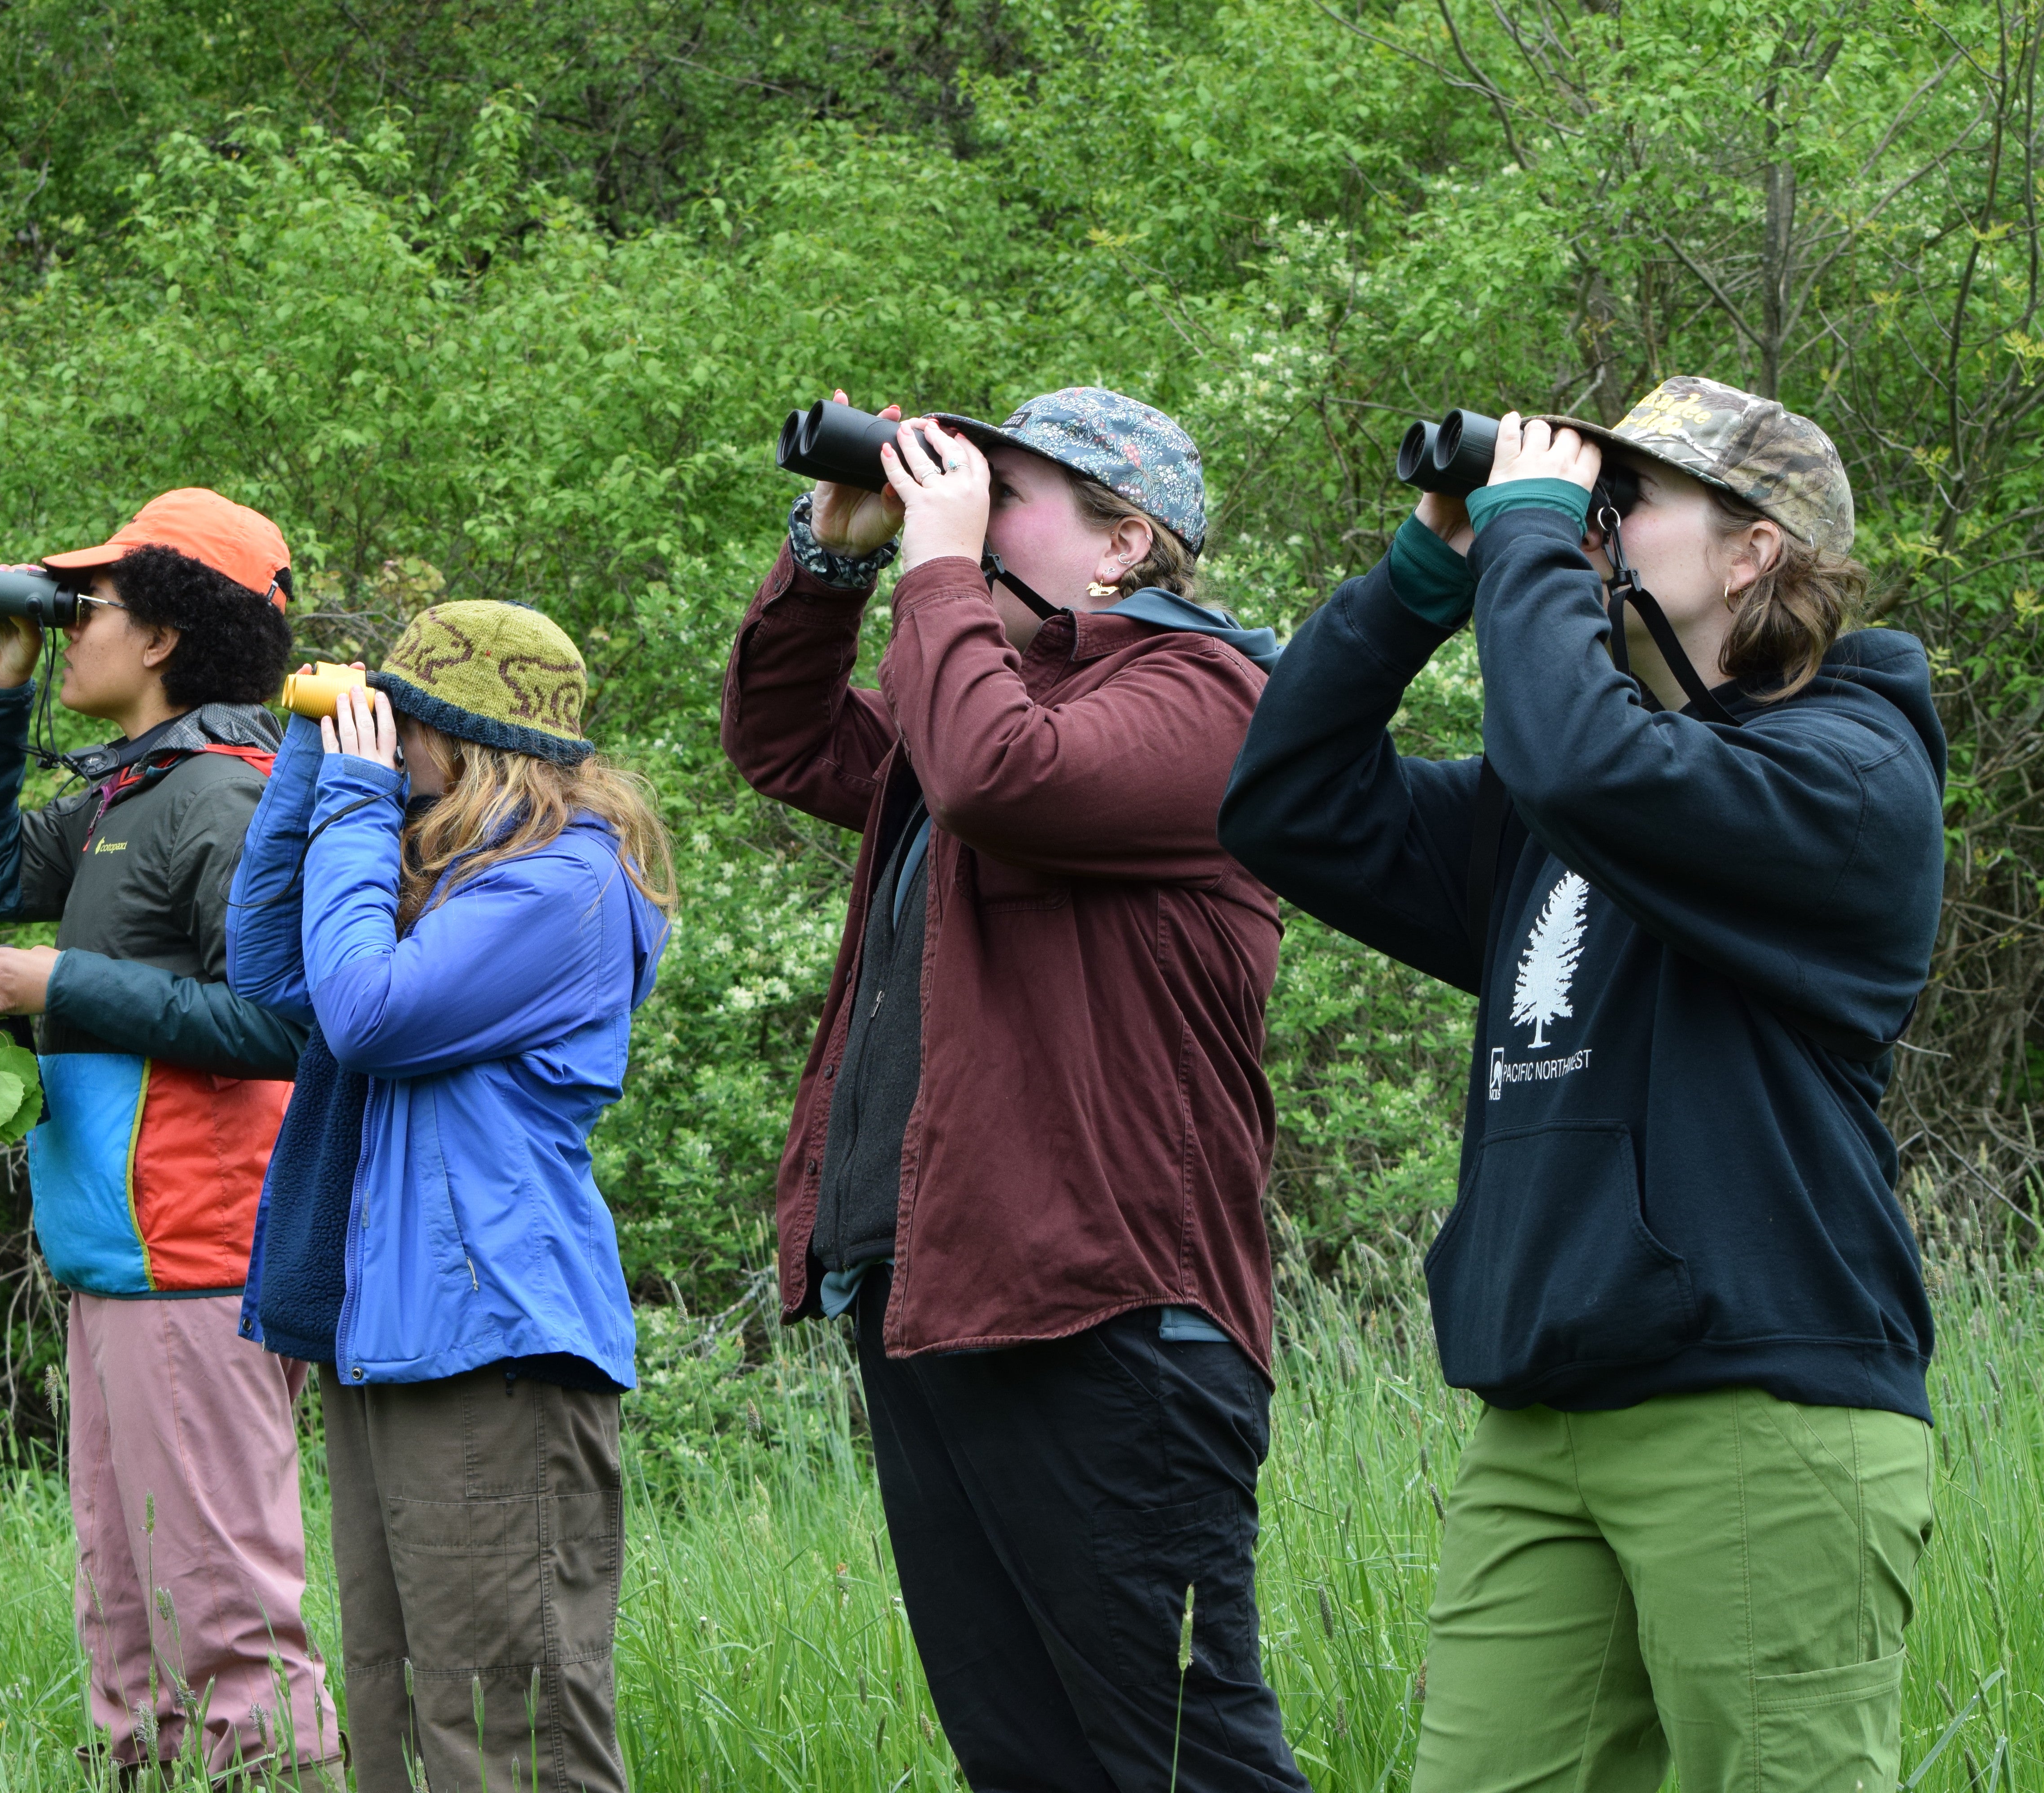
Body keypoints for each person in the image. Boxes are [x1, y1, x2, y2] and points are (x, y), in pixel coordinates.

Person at [1218, 378, 1943, 1788]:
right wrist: (1430, 567)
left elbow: (1585, 757)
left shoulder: (1850, 779)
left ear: (1754, 552)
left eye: (1632, 503)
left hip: (1762, 1403)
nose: (1596, 530)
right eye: (1588, 503)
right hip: (1544, 1415)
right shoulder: (1551, 805)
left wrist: (1539, 524)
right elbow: (1286, 800)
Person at [721, 389, 1307, 1791]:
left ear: (1124, 544)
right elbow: (787, 742)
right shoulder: (975, 701)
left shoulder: (1210, 697)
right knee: (1028, 1761)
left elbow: (999, 774)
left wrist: (933, 567)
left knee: (1183, 1759)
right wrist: (835, 555)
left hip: (1111, 1311)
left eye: (1011, 491)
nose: (973, 507)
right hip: (944, 1294)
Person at [224, 601, 673, 1793]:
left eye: (403, 716)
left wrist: (360, 806)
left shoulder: (558, 889)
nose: (389, 735)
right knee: (392, 1704)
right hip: (396, 1337)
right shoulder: (446, 872)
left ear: (468, 740)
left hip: (494, 1341)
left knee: (506, 1725)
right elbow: (274, 974)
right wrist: (311, 776)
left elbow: (366, 1017)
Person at [0, 489, 339, 1786]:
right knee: (125, 1624)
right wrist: (2, 683)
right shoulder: (132, 794)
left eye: (85, 605)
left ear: (162, 635)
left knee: (223, 1619)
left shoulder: (225, 799)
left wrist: (63, 990)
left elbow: (290, 1022)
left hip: (200, 1251)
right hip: (120, 1258)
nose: (70, 624)